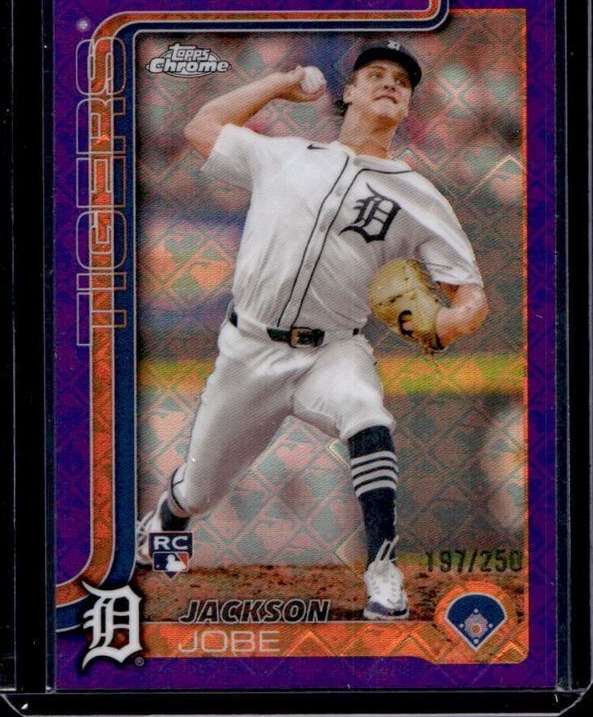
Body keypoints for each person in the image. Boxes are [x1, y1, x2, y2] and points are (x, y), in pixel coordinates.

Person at [137, 41, 488, 621]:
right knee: (200, 489)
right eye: (376, 74)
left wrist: (452, 320)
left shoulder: (419, 196)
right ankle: (168, 520)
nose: (390, 83)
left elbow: (469, 292)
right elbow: (202, 125)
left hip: (334, 350)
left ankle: (382, 571)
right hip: (250, 349)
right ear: (348, 91)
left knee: (367, 415)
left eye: (402, 82)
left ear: (408, 106)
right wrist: (278, 84)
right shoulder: (283, 156)